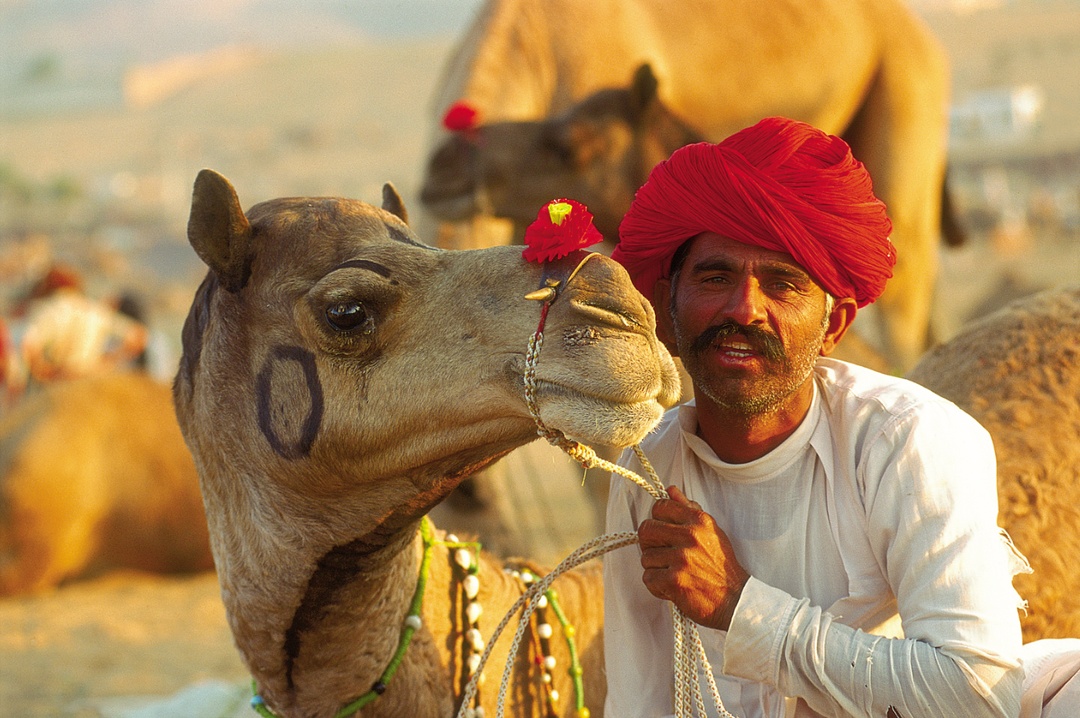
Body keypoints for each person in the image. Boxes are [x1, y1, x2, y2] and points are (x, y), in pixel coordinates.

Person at [603, 116, 1031, 717]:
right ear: (668, 313)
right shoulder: (648, 468)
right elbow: (639, 697)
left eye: (782, 285)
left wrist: (740, 605)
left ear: (833, 326)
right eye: (715, 276)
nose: (745, 308)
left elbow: (979, 697)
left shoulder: (906, 441)